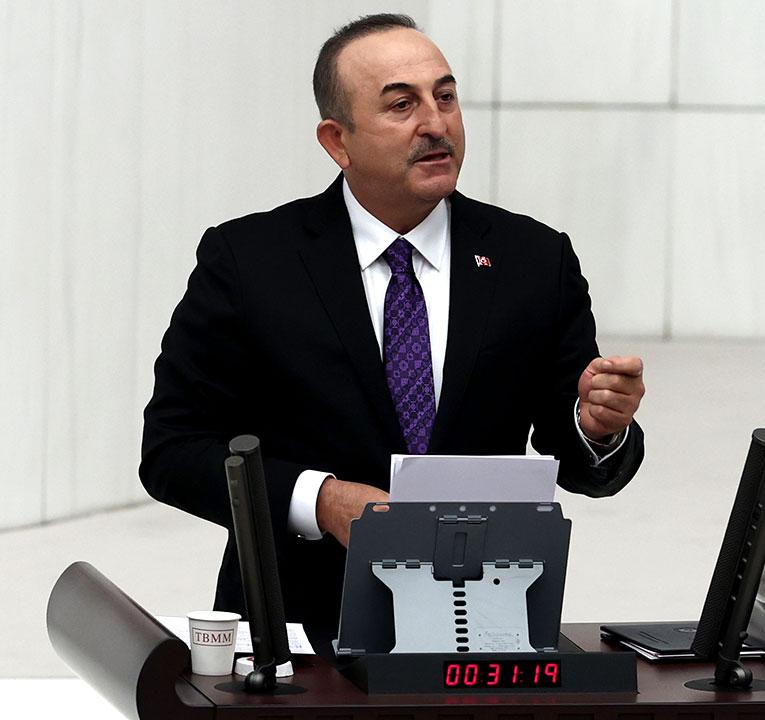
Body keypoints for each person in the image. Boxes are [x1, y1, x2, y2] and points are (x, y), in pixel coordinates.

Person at [140, 14, 646, 641]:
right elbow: (172, 450)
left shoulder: (534, 261)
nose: (435, 124)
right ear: (338, 140)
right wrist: (320, 500)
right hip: (299, 629)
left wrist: (597, 427)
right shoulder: (250, 261)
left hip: (482, 626)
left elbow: (579, 460)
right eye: (402, 105)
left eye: (445, 97)